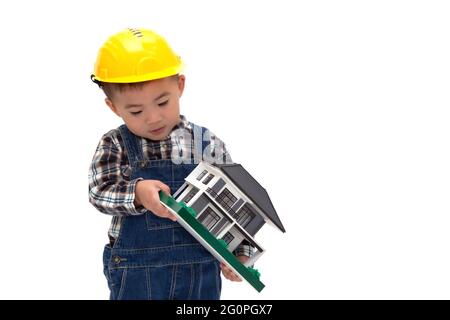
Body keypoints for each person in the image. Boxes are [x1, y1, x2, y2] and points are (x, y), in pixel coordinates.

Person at [88, 28, 252, 300]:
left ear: (180, 86)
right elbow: (98, 192)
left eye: (162, 102)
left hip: (200, 273)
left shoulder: (206, 144)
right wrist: (138, 193)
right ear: (114, 107)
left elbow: (234, 206)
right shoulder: (115, 144)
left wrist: (240, 255)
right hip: (137, 274)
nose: (153, 118)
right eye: (136, 111)